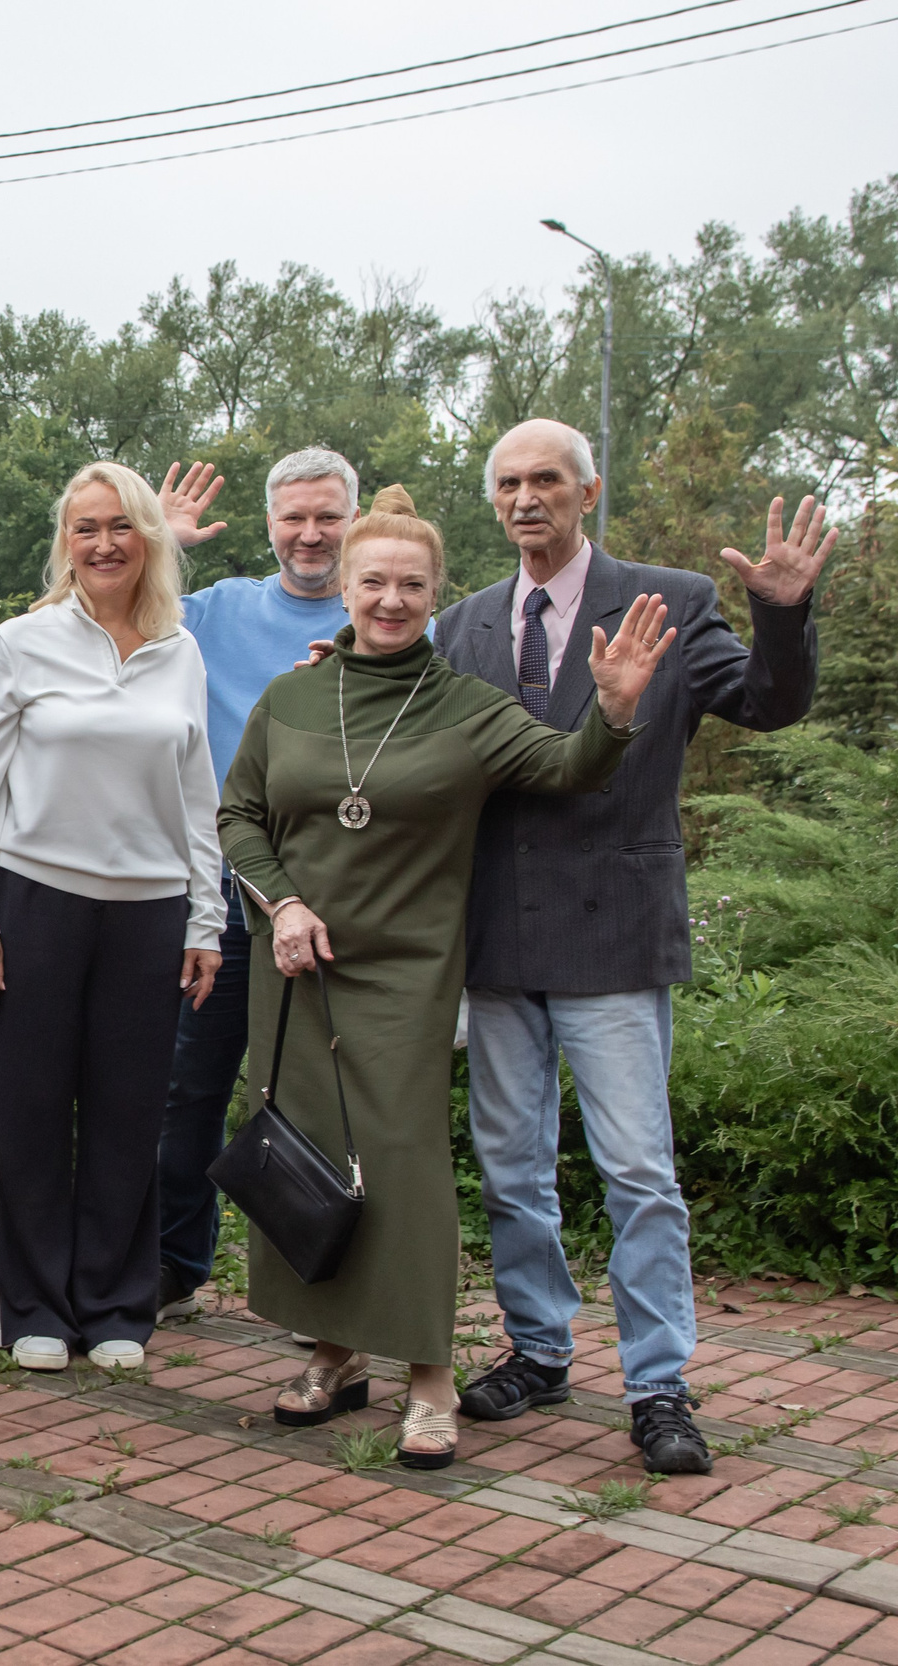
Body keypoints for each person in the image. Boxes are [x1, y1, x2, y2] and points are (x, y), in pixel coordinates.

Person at [218, 486, 672, 1471]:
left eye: (409, 584)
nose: (389, 599)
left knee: (405, 1166)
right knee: (306, 1154)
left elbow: (567, 766)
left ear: (436, 594)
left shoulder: (467, 708)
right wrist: (283, 904)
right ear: (342, 585)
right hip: (294, 962)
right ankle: (333, 1356)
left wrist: (619, 707)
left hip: (403, 974)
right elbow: (239, 815)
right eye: (371, 580)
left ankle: (427, 1375)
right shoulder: (288, 696)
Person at [433, 419, 830, 1476]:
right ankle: (540, 1348)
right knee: (513, 1170)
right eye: (510, 481)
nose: (527, 497)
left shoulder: (672, 599)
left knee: (638, 1172)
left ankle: (658, 1381)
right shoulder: (462, 626)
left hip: (612, 932)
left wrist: (781, 613)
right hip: (495, 939)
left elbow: (767, 703)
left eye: (547, 480)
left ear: (587, 491)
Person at [0, 462, 224, 1374]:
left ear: (147, 535)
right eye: (85, 528)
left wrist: (205, 917)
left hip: (149, 914)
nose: (103, 543)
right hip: (35, 904)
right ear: (65, 543)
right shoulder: (20, 643)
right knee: (30, 1113)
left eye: (120, 526)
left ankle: (115, 1305)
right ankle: (32, 1303)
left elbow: (197, 790)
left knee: (127, 1116)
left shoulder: (179, 649)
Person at [157, 448, 354, 1321]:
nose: (310, 535)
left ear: (352, 521)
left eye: (328, 517)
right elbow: (116, 617)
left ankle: (330, 1281)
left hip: (341, 901)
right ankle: (173, 1266)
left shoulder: (384, 609)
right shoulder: (218, 609)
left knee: (327, 1097)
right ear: (271, 522)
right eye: (294, 518)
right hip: (223, 895)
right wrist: (161, 545)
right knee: (189, 1086)